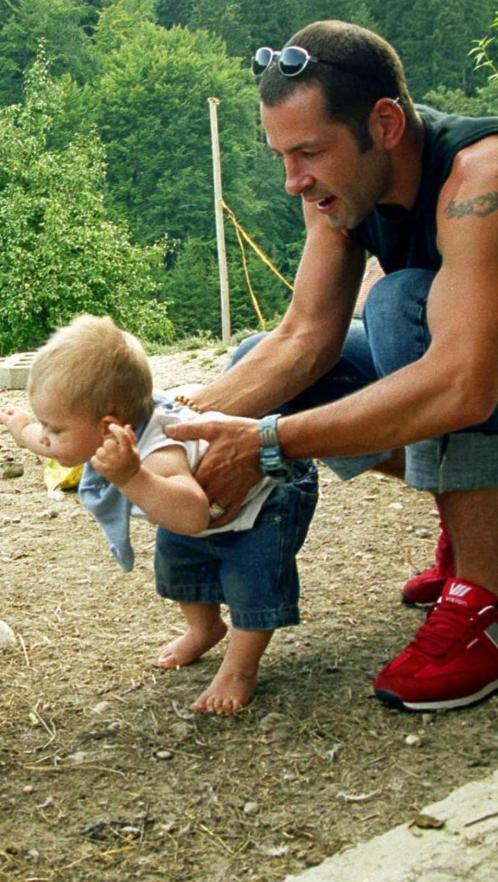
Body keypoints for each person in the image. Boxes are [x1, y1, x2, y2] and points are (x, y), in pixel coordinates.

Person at [164, 20, 498, 712]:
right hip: (475, 385)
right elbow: (303, 341)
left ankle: (485, 599)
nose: (293, 182)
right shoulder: (340, 192)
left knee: (401, 306)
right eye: (283, 156)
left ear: (384, 123)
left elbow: (466, 383)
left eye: (309, 152)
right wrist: (169, 427)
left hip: (478, 376)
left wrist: (267, 445)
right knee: (257, 362)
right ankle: (472, 537)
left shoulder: (478, 178)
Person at [0, 315, 317, 714]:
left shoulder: (160, 449)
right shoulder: (103, 435)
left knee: (250, 582)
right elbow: (51, 445)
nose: (47, 435)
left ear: (109, 426)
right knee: (179, 568)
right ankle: (205, 629)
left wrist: (132, 476)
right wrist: (21, 427)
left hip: (263, 505)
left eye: (54, 427)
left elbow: (193, 516)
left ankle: (240, 669)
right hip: (193, 512)